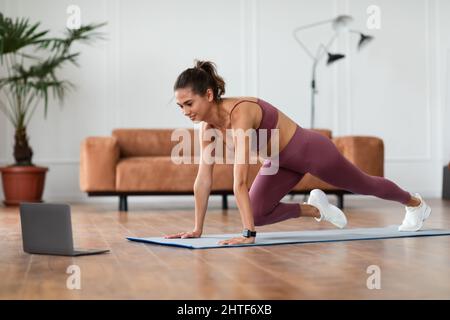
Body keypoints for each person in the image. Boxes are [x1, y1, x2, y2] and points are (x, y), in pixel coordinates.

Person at [165, 60, 431, 245]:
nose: (186, 111)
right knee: (257, 212)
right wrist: (197, 228)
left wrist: (248, 234)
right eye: (180, 106)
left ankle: (415, 203)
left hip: (310, 152)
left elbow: (240, 181)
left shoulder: (240, 112)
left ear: (208, 95)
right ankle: (316, 209)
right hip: (280, 162)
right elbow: (203, 179)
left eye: (189, 103)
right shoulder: (207, 127)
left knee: (364, 185)